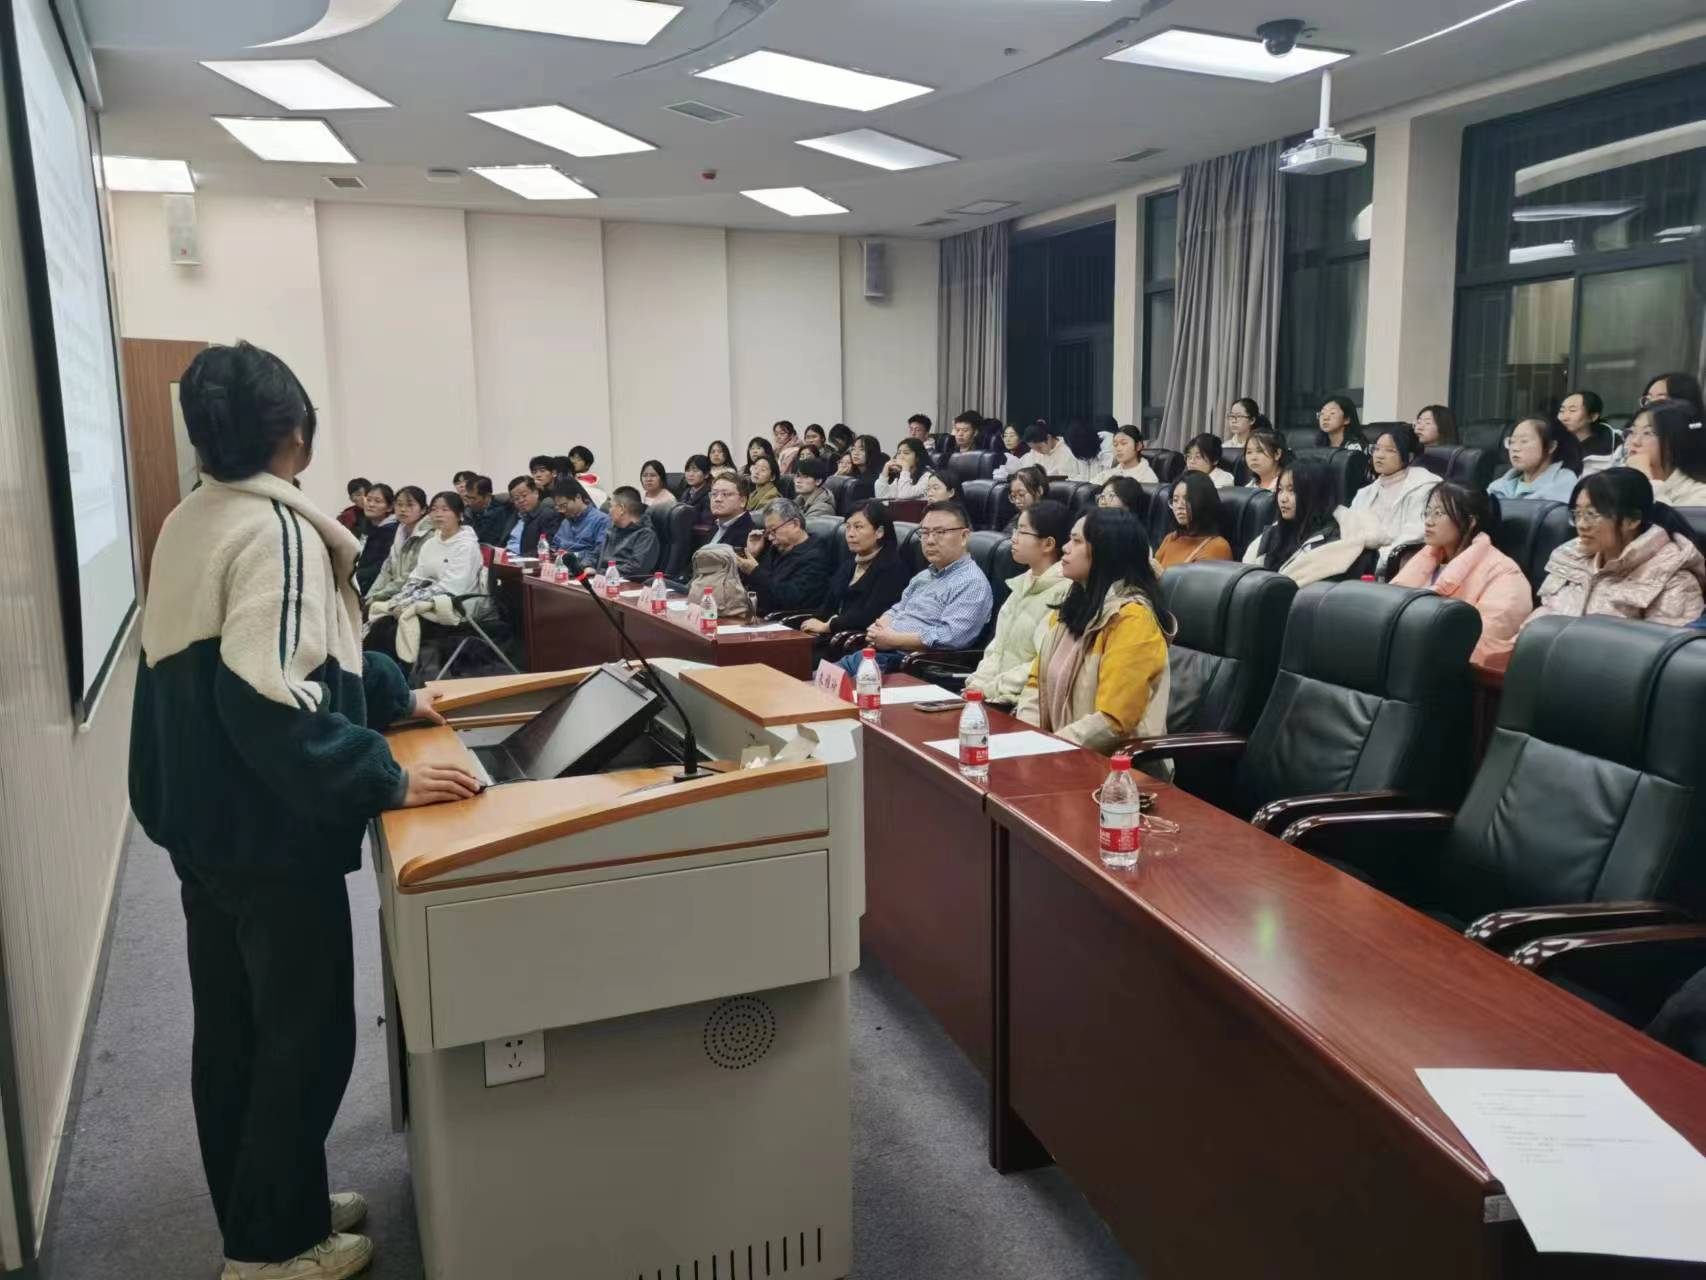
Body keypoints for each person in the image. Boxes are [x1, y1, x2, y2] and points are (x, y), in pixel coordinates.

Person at [130, 342, 478, 1280]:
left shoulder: (193, 516)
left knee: (236, 1032)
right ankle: (274, 1250)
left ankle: (269, 1205)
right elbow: (270, 700)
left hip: (205, 822)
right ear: (297, 434)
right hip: (269, 833)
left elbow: (305, 657)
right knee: (304, 1035)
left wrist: (393, 695)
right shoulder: (275, 531)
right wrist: (383, 777)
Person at [1016, 508, 1172, 754]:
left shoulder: (1132, 620)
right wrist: (1026, 738)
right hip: (1057, 751)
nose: (1065, 548)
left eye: (1076, 541)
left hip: (1114, 766)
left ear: (1106, 551)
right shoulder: (1070, 608)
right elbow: (1036, 683)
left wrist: (1046, 748)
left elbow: (1113, 721)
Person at [1528, 469, 1705, 629]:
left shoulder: (1673, 580)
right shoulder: (1570, 558)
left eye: (1592, 514)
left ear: (1632, 520)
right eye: (1577, 513)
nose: (1581, 525)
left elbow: (1660, 649)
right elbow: (1544, 614)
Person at [838, 501, 993, 674]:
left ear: (964, 536)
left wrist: (893, 639)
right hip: (883, 652)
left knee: (829, 683)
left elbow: (952, 636)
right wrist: (882, 625)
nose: (930, 541)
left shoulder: (971, 582)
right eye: (925, 533)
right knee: (825, 678)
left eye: (940, 532)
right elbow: (898, 608)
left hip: (913, 664)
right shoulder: (924, 576)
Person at [1392, 485, 1532, 669]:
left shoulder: (1505, 574)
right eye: (1428, 512)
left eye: (1439, 513)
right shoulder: (1426, 559)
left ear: (1471, 521)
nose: (1429, 521)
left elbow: (1482, 643)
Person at [964, 500, 1072, 706]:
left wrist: (989, 689)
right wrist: (977, 684)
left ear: (1048, 544)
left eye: (1022, 532)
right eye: (1015, 530)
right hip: (993, 697)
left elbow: (1042, 664)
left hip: (1024, 704)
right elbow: (997, 649)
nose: (1013, 538)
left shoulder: (1064, 593)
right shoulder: (1022, 584)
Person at [364, 491, 485, 661]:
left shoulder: (466, 545)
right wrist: (404, 598)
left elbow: (453, 585)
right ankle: (373, 670)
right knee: (382, 621)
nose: (438, 514)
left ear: (459, 515)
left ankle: (402, 671)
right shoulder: (431, 543)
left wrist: (413, 601)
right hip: (426, 600)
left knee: (393, 628)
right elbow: (417, 577)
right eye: (434, 509)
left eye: (445, 509)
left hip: (454, 604)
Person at [1242, 460, 1369, 585]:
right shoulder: (1274, 533)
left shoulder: (1333, 542)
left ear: (1316, 493)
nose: (1283, 498)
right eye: (1280, 489)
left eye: (1292, 490)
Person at [800, 501, 910, 641]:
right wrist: (813, 624)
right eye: (848, 527)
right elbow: (828, 605)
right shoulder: (850, 564)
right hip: (832, 636)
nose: (850, 534)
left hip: (857, 642)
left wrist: (828, 626)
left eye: (858, 527)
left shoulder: (893, 569)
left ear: (879, 532)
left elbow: (871, 616)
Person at [1348, 422, 1440, 567]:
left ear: (1409, 456)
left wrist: (1379, 561)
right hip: (1357, 558)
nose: (1379, 456)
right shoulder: (1366, 492)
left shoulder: (1424, 487)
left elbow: (1415, 533)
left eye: (1390, 451)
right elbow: (1350, 528)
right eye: (1376, 449)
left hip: (1393, 563)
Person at [735, 498, 832, 614]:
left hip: (783, 620)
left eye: (773, 530)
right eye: (768, 532)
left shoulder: (816, 556)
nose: (770, 537)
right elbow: (744, 586)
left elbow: (790, 600)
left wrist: (755, 572)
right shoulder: (771, 547)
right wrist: (753, 554)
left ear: (795, 524)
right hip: (751, 612)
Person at [1626, 398, 1706, 507]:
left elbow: (1667, 517)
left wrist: (1646, 481)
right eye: (1632, 431)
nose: (1635, 441)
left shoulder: (1700, 494)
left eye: (1648, 433)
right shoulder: (1621, 477)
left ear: (1677, 441)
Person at [1488, 416, 1581, 502]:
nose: (1515, 448)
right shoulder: (1497, 487)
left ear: (1551, 446)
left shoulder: (1564, 483)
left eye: (1524, 441)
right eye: (1512, 441)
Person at [365, 486, 431, 604]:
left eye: (410, 505)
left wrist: (379, 596)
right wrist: (371, 596)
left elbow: (412, 574)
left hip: (415, 597)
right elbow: (386, 571)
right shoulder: (400, 531)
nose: (403, 509)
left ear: (423, 509)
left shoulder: (429, 536)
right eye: (399, 504)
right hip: (394, 595)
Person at [1156, 473, 1233, 567]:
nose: (1179, 506)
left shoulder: (1218, 546)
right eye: (1175, 500)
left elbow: (1200, 577)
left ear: (1204, 502)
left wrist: (1160, 574)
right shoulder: (1171, 538)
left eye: (1187, 499)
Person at [593, 487, 660, 579]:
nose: (609, 511)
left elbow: (637, 569)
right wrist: (588, 565)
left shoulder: (646, 535)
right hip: (602, 579)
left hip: (626, 583)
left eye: (611, 506)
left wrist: (604, 573)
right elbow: (596, 553)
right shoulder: (613, 529)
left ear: (621, 509)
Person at [499, 475, 561, 559]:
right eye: (516, 498)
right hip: (506, 558)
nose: (521, 500)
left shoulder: (547, 515)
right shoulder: (514, 515)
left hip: (525, 561)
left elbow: (547, 548)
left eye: (524, 495)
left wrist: (521, 558)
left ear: (536, 493)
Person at [548, 478, 608, 564]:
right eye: (558, 507)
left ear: (578, 497)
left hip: (584, 567)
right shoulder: (566, 522)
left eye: (564, 505)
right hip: (561, 566)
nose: (562, 511)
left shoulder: (601, 520)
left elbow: (598, 553)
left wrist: (571, 556)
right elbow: (555, 546)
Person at [354, 483, 396, 594]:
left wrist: (351, 575)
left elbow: (381, 567)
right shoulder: (363, 525)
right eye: (368, 500)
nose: (371, 504)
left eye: (377, 501)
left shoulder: (391, 532)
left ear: (389, 507)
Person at [1093, 424, 1159, 486]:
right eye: (1115, 445)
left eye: (1123, 443)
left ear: (1138, 446)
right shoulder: (1108, 474)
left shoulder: (1148, 478)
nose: (1118, 449)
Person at [1558, 390, 1617, 459]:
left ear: (1593, 417)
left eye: (1572, 410)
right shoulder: (1554, 442)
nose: (1564, 418)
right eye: (1562, 411)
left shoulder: (1610, 445)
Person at [1021, 423, 1090, 480]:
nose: (1037, 452)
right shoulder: (1033, 453)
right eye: (1033, 449)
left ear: (1048, 438)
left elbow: (1081, 476)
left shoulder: (1069, 449)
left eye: (1039, 447)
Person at [704, 472, 756, 548]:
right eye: (714, 494)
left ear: (743, 501)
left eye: (725, 494)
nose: (718, 499)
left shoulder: (749, 534)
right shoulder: (715, 525)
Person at [1243, 426, 1290, 491]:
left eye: (1260, 451)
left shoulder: (1289, 485)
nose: (1253, 458)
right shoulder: (1249, 486)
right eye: (1249, 452)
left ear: (1277, 454)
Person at [464, 475, 506, 545]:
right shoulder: (468, 511)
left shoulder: (499, 513)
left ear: (487, 497)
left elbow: (488, 542)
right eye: (467, 497)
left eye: (473, 498)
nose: (469, 502)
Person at [1005, 465, 1048, 534]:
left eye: (1021, 495)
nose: (1017, 501)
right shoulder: (1017, 518)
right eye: (1013, 496)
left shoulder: (1048, 520)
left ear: (1039, 491)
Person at [680, 454, 713, 520]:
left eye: (695, 471)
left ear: (706, 474)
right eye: (688, 470)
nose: (690, 474)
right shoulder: (686, 491)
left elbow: (706, 520)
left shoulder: (710, 495)